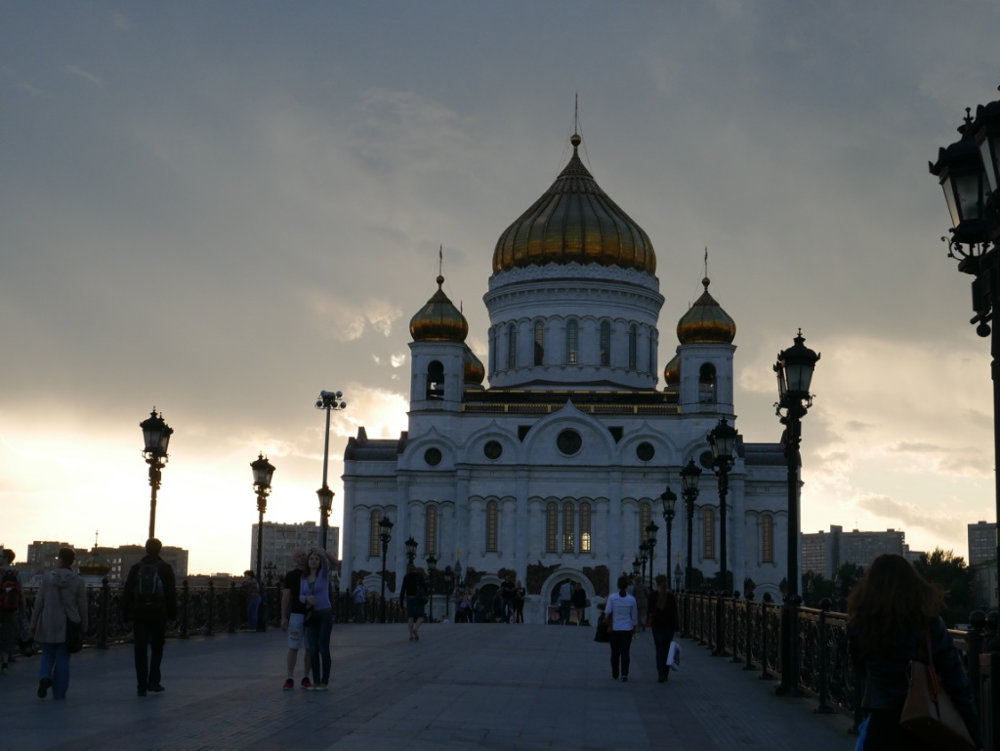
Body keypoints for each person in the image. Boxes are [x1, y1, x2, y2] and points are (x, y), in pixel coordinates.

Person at [847, 553, 980, 750]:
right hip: (925, 723)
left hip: (880, 725)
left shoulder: (859, 626)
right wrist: (974, 734)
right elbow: (956, 680)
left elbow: (859, 668)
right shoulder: (928, 624)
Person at [28, 546, 87, 699]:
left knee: (47, 654)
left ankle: (44, 678)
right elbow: (82, 606)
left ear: (60, 559)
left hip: (48, 621)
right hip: (68, 623)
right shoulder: (78, 580)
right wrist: (84, 625)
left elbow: (39, 603)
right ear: (72, 562)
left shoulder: (47, 578)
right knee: (63, 658)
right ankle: (59, 692)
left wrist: (33, 625)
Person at [123, 538, 177, 697]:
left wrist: (126, 614)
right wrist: (172, 614)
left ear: (146, 549)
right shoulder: (165, 568)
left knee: (139, 649)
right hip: (158, 613)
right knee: (157, 647)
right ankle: (153, 681)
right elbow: (170, 593)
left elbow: (127, 592)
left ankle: (141, 686)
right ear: (160, 550)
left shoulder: (136, 567)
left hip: (139, 613)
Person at [301, 547, 336, 690]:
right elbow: (300, 595)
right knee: (313, 648)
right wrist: (306, 598)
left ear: (320, 562)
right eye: (311, 559)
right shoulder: (304, 578)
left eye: (316, 559)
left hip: (325, 614)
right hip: (311, 615)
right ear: (307, 562)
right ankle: (315, 681)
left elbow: (331, 563)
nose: (313, 561)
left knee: (323, 647)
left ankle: (324, 682)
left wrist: (323, 553)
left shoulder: (323, 575)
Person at [280, 549, 312, 690]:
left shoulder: (313, 573)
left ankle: (306, 677)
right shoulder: (291, 576)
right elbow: (286, 596)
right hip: (296, 615)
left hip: (312, 615)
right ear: (294, 559)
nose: (301, 558)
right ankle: (290, 677)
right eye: (298, 556)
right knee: (293, 647)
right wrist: (283, 617)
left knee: (310, 648)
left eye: (303, 555)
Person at [606, 575, 638, 681]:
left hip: (615, 629)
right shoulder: (631, 599)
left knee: (614, 653)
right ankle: (624, 674)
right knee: (625, 652)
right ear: (627, 586)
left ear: (618, 586)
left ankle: (615, 672)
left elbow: (607, 612)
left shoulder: (612, 597)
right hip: (627, 629)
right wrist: (634, 628)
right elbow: (634, 616)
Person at [649, 574, 679, 682]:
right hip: (669, 627)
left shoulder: (653, 596)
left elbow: (650, 610)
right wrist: (676, 627)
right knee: (667, 649)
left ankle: (660, 673)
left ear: (656, 583)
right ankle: (665, 673)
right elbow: (675, 613)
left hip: (657, 626)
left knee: (659, 650)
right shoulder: (671, 596)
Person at [1, 548, 25, 674]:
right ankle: (7, 659)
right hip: (12, 608)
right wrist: (23, 607)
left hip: (0, 607)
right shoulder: (17, 573)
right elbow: (21, 591)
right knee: (8, 633)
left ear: (5, 558)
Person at [399, 563, 428, 640]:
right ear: (415, 568)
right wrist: (426, 595)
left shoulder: (406, 577)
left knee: (410, 617)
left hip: (409, 598)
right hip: (418, 598)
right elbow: (425, 587)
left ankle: (411, 635)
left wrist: (401, 604)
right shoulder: (419, 576)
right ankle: (415, 628)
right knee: (421, 617)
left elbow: (402, 591)